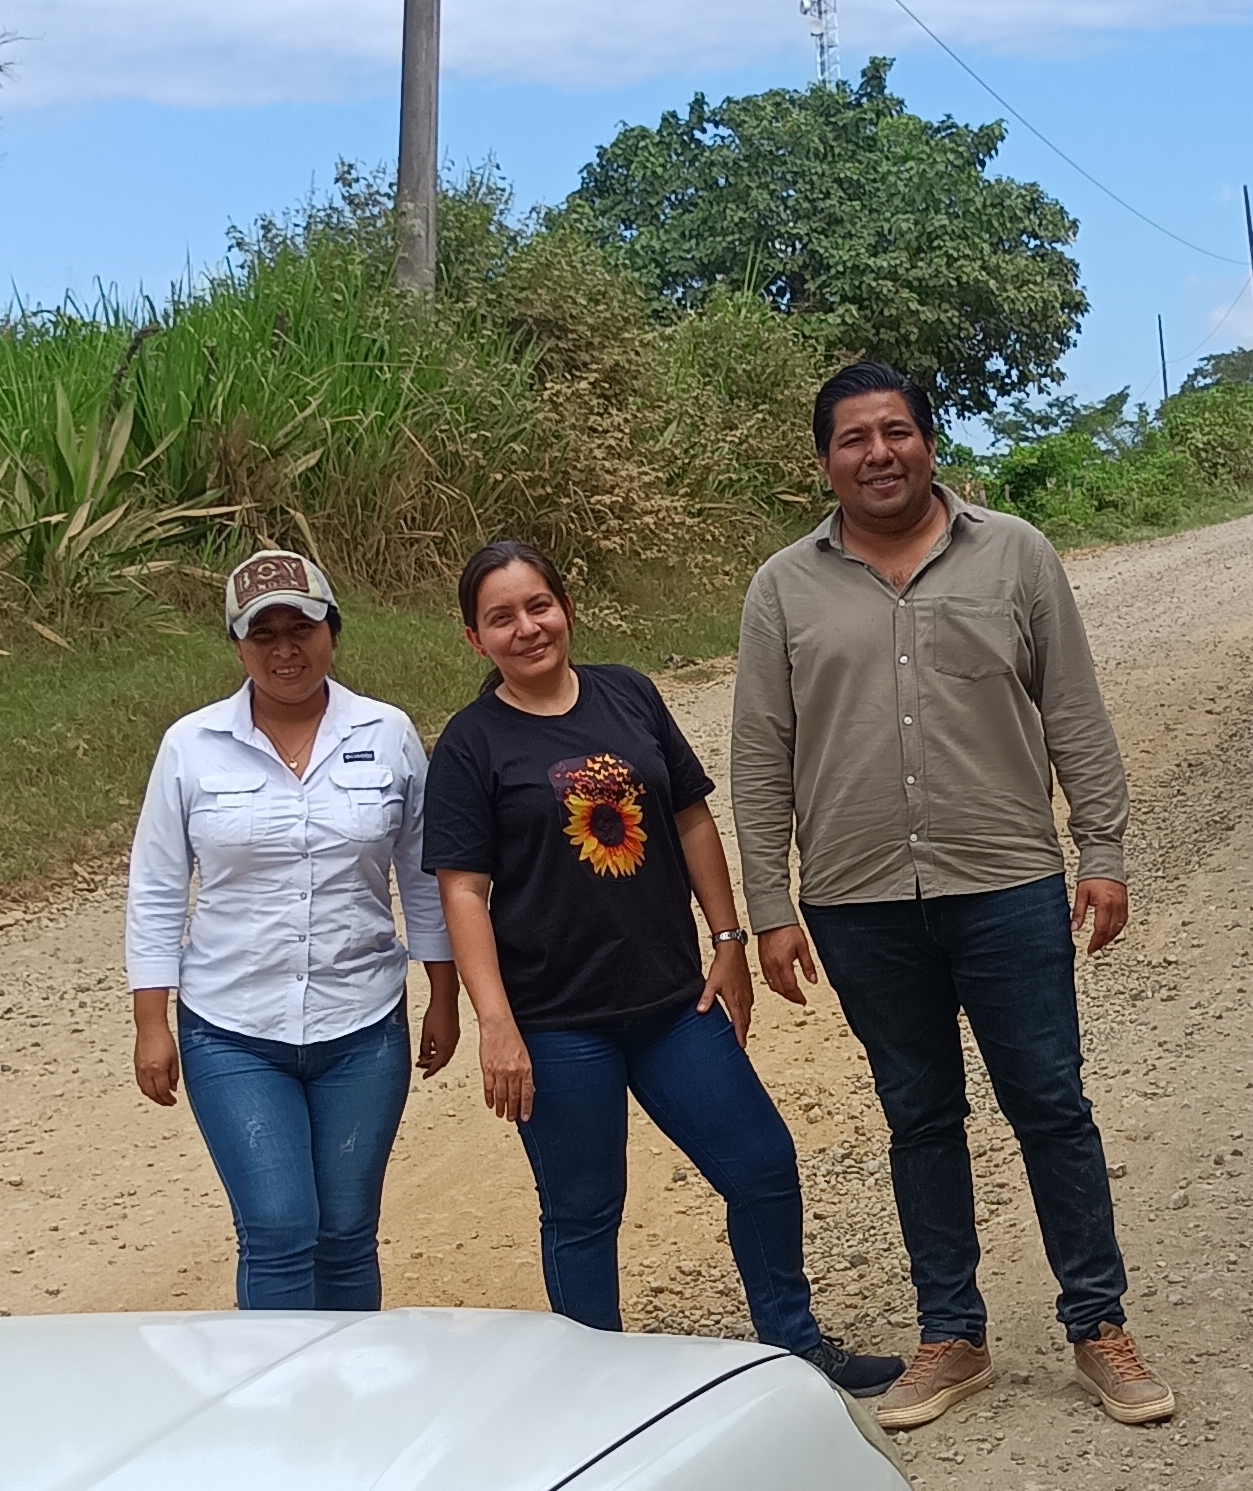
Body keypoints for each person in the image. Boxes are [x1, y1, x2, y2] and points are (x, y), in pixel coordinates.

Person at [731, 360, 1174, 1434]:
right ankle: (953, 1334)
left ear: (929, 442)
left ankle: (1097, 1324)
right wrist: (770, 905)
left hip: (1007, 880)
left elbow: (1074, 710)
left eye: (896, 431)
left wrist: (1102, 849)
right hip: (858, 899)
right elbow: (760, 755)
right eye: (853, 438)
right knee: (917, 1114)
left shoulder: (1016, 554)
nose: (877, 453)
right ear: (825, 461)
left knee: (1050, 1104)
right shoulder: (782, 588)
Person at [424, 536, 900, 1394]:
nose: (527, 628)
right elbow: (462, 890)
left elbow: (690, 819)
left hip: (673, 1004)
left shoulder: (628, 693)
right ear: (474, 638)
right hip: (556, 1022)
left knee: (761, 1165)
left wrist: (729, 940)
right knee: (583, 1211)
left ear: (566, 607)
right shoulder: (469, 744)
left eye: (539, 606)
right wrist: (495, 1023)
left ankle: (794, 1346)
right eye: (501, 618)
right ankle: (592, 1392)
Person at [127, 547, 459, 1308]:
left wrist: (443, 994)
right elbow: (156, 888)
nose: (285, 650)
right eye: (264, 634)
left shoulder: (388, 732)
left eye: (302, 628)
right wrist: (151, 1023)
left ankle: (349, 1383)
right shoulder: (191, 747)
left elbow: (424, 875)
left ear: (332, 631)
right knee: (278, 1227)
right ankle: (280, 1387)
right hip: (232, 1028)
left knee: (346, 1232)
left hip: (362, 1025)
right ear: (238, 646)